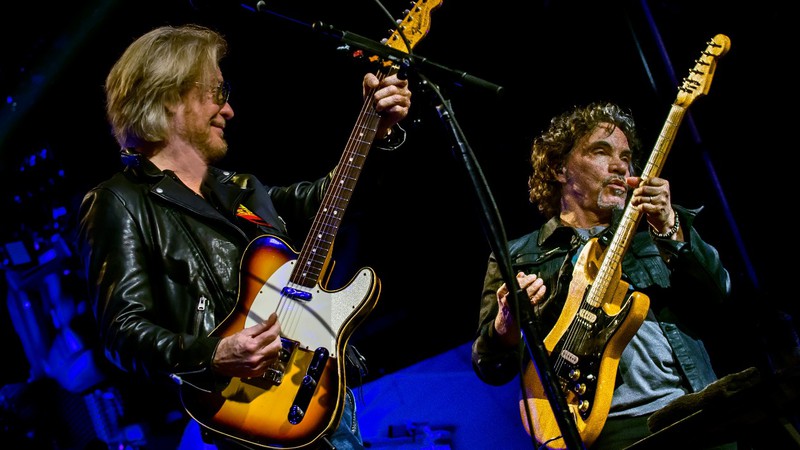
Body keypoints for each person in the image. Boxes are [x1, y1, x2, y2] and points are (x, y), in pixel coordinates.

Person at [77, 24, 411, 450]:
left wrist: (375, 132)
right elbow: (122, 331)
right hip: (246, 410)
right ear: (169, 97)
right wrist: (213, 354)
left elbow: (326, 203)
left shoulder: (241, 188)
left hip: (320, 389)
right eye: (216, 93)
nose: (229, 109)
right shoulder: (118, 201)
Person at [471, 102, 733, 449]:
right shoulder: (517, 257)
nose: (619, 167)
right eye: (601, 151)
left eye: (626, 158)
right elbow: (490, 367)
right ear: (559, 168)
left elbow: (719, 297)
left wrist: (670, 228)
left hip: (693, 406)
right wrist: (505, 326)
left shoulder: (655, 228)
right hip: (607, 430)